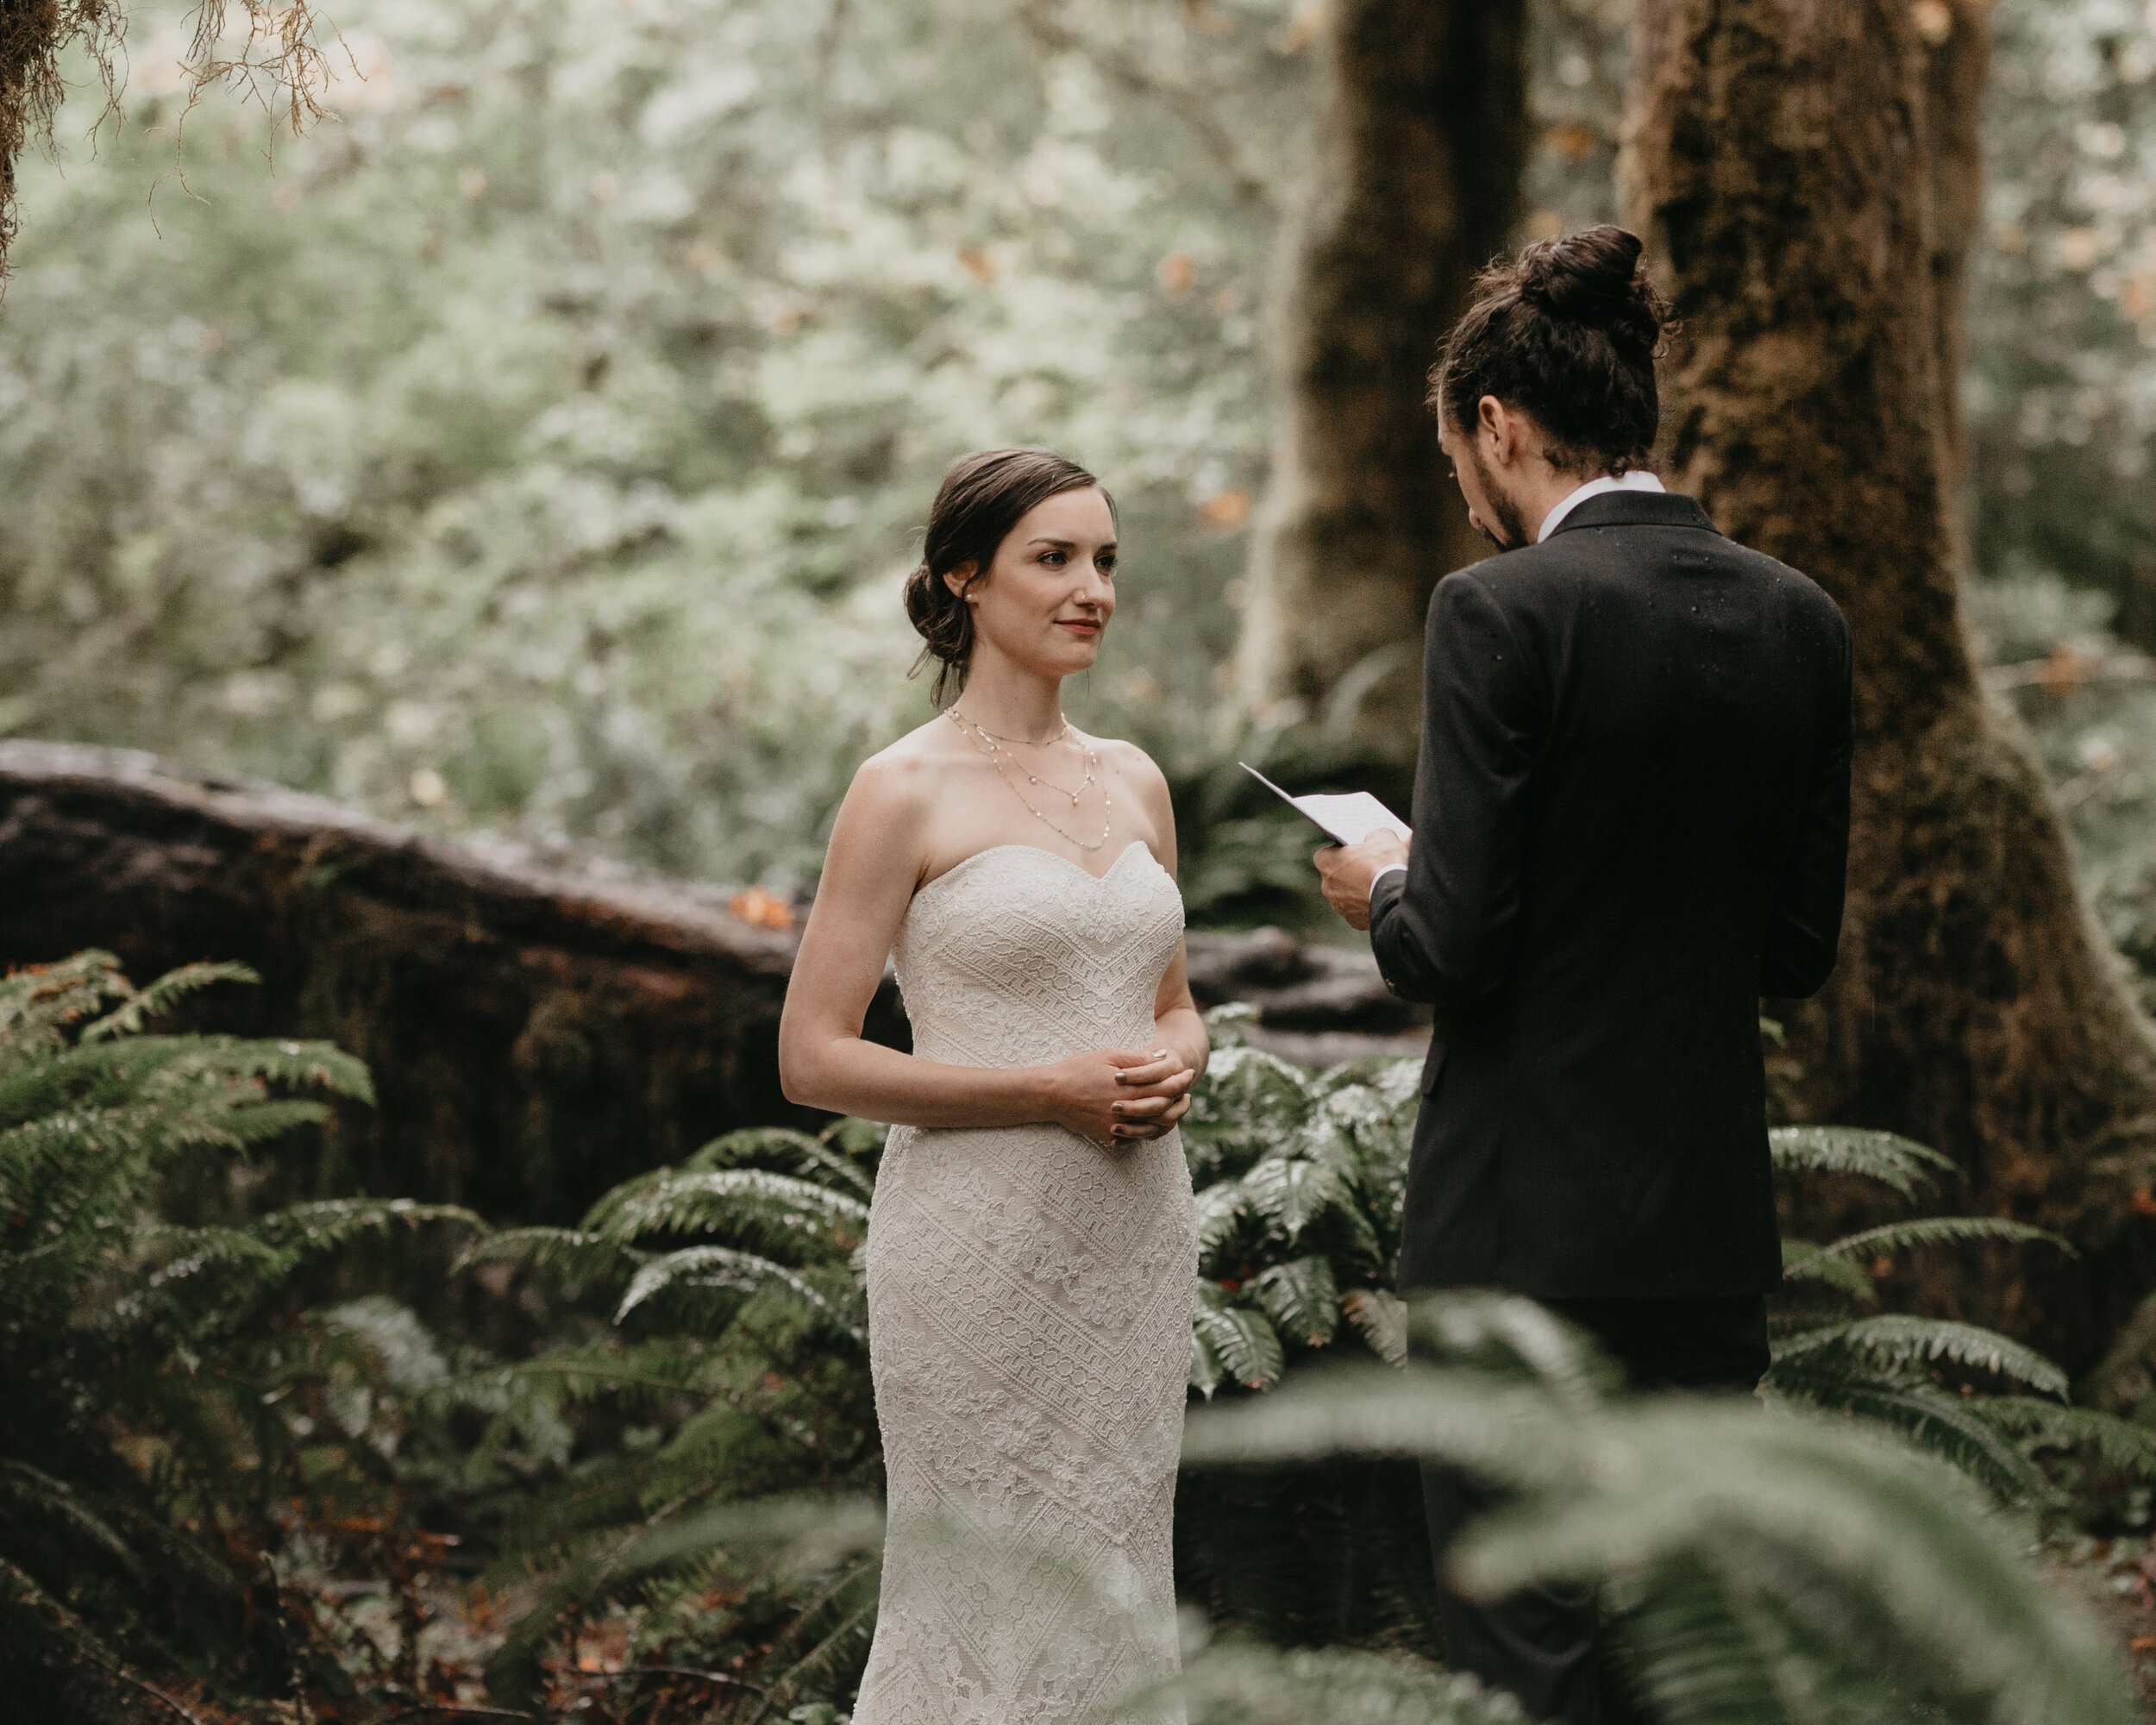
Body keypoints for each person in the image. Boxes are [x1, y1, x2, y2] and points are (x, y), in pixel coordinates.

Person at [1313, 226, 1852, 1725]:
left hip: (1518, 1234)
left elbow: (1451, 947)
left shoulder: (1499, 614)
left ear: (1496, 426)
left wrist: (1387, 884)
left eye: (1455, 456)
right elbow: (1796, 953)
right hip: (1704, 1234)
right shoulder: (1801, 618)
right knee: (1691, 1639)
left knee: (1523, 1643)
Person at [778, 448, 1205, 1725]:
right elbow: (813, 1055)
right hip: (973, 1251)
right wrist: (1046, 1090)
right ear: (965, 576)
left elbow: (1176, 1002)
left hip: (1135, 1243)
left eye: (1107, 561)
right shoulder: (901, 788)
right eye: (1055, 558)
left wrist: (1178, 1059)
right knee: (972, 1587)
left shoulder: (1134, 777)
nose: (1093, 590)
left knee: (1117, 1575)